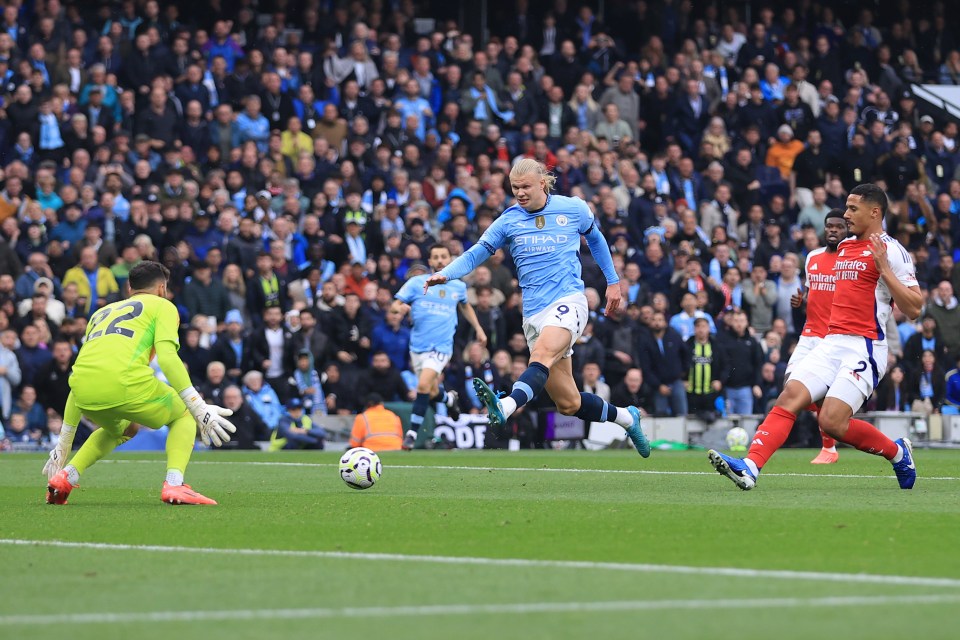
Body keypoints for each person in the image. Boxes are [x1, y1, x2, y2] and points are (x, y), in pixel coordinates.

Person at [424, 159, 649, 457]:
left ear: (542, 183)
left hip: (569, 301)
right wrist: (447, 273)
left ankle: (505, 404)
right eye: (515, 187)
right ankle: (627, 417)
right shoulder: (508, 220)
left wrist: (613, 282)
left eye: (525, 186)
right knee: (568, 403)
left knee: (541, 355)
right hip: (533, 314)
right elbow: (477, 252)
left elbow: (596, 239)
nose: (519, 193)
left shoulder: (573, 208)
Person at [708, 185, 922, 490]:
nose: (846, 215)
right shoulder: (846, 247)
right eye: (846, 208)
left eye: (852, 209)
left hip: (865, 347)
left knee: (831, 423)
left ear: (875, 213)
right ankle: (750, 467)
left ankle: (898, 453)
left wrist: (885, 270)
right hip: (830, 341)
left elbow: (914, 308)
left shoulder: (892, 250)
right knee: (789, 396)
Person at [42, 261, 237, 506]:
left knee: (125, 429)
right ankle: (175, 485)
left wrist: (63, 442)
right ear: (162, 288)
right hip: (124, 383)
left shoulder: (99, 313)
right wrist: (198, 405)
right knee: (185, 413)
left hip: (81, 391)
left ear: (129, 288)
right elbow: (167, 358)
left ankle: (66, 477)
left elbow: (82, 372)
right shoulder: (163, 305)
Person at [393, 244, 487, 449]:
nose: (439, 260)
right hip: (418, 347)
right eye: (435, 257)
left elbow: (465, 306)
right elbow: (395, 305)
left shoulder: (458, 286)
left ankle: (411, 434)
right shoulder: (416, 283)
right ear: (430, 262)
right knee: (432, 390)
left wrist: (478, 329)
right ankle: (449, 399)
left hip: (441, 347)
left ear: (450, 260)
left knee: (423, 385)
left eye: (443, 256)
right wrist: (401, 307)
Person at [786, 209, 847, 464]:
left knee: (812, 393)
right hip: (809, 333)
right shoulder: (812, 257)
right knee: (790, 384)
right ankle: (831, 435)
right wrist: (801, 301)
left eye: (838, 226)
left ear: (847, 230)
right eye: (829, 226)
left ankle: (829, 448)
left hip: (833, 337)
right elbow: (812, 292)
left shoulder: (848, 261)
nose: (832, 230)